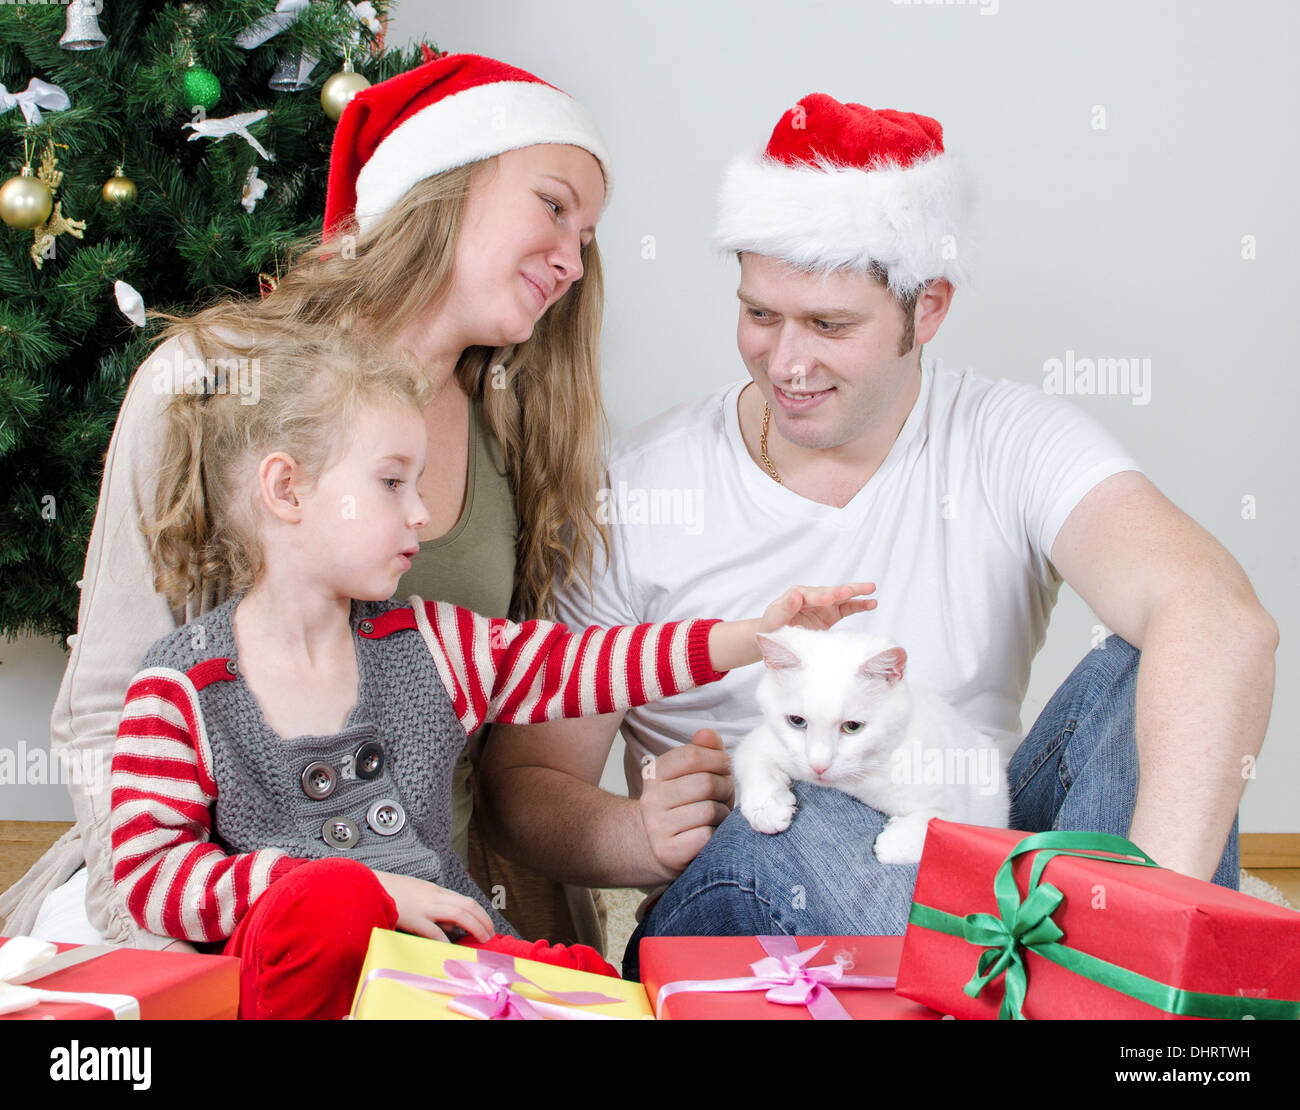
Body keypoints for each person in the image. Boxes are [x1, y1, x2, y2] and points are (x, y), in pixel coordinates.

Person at [475, 95, 1279, 979]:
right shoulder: (638, 486)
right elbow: (522, 783)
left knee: (1155, 665)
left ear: (926, 308)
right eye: (760, 314)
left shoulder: (1010, 438)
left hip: (965, 846)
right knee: (813, 786)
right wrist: (632, 836)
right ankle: (1055, 993)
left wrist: (1149, 921)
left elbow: (1222, 619)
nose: (786, 362)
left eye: (829, 324)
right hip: (738, 884)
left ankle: (1098, 984)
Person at [1, 52, 617, 952]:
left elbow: (532, 704)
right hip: (228, 923)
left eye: (589, 238)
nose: (570, 259)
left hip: (435, 930)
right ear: (438, 184)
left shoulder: (524, 432)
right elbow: (106, 709)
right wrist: (192, 950)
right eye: (553, 205)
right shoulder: (206, 384)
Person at [108, 331, 874, 1017]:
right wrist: (359, 892)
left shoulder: (429, 643)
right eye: (391, 483)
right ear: (287, 489)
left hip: (438, 968)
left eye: (421, 483)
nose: (420, 513)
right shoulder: (182, 687)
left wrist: (752, 637)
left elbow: (585, 665)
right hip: (300, 981)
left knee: (583, 985)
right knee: (330, 901)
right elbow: (151, 874)